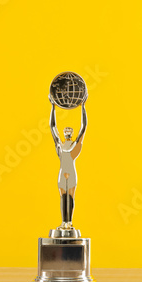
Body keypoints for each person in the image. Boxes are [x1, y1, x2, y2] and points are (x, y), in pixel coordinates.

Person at [49, 94, 87, 228]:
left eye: (69, 131)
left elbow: (83, 128)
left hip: (71, 172)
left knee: (70, 197)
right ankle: (63, 222)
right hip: (62, 172)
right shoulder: (59, 145)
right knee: (62, 197)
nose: (67, 132)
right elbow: (53, 127)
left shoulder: (75, 145)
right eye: (66, 131)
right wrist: (52, 106)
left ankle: (69, 223)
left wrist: (83, 107)